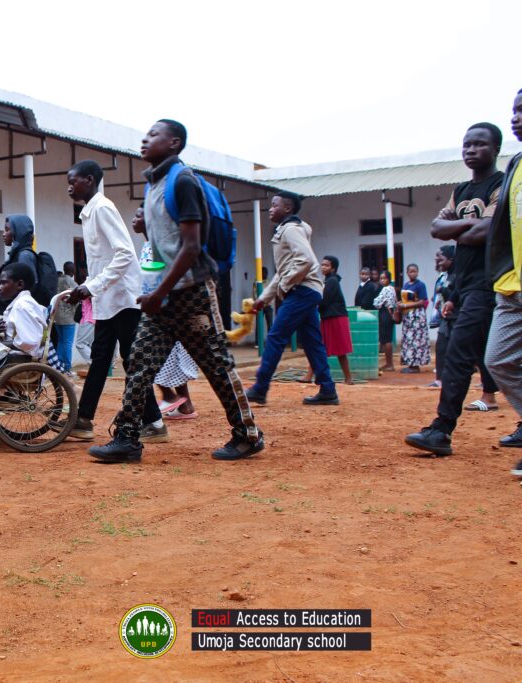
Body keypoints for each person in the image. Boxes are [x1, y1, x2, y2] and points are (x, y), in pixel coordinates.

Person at [87, 121, 261, 461]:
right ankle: (127, 438)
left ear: (174, 143)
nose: (145, 138)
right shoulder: (153, 185)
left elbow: (192, 246)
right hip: (162, 300)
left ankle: (248, 435)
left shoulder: (183, 181)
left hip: (192, 295)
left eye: (154, 134)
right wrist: (146, 237)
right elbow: (166, 247)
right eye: (146, 134)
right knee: (138, 363)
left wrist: (158, 293)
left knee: (217, 365)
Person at [405, 122, 505, 456]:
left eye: (480, 144)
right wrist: (471, 226)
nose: (471, 150)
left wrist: (458, 229)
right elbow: (437, 228)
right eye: (467, 144)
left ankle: (441, 430)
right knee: (491, 357)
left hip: (489, 283)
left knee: (461, 355)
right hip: (465, 285)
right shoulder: (460, 190)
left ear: (496, 149)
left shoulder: (501, 185)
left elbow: (483, 234)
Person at [64, 159, 164, 446]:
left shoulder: (103, 208)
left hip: (124, 299)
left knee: (131, 360)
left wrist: (92, 286)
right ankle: (83, 419)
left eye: (74, 181)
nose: (69, 187)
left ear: (90, 180)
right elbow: (101, 261)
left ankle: (154, 422)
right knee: (100, 358)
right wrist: (87, 288)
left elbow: (124, 253)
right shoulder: (88, 213)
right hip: (107, 300)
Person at [247, 191, 338, 406]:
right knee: (312, 342)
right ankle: (328, 389)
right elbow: (283, 271)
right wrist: (264, 298)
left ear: (287, 208)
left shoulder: (291, 229)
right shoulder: (290, 229)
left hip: (301, 291)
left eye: (275, 205)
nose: (270, 209)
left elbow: (306, 260)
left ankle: (260, 387)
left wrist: (287, 284)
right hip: (307, 290)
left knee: (275, 337)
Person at [485, 89, 522, 471]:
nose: (516, 118)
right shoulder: (516, 164)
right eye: (514, 111)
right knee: (498, 359)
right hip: (512, 284)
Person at [134, 206, 198, 419]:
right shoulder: (148, 245)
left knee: (152, 357)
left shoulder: (159, 245)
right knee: (170, 359)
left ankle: (171, 397)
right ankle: (185, 404)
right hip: (156, 308)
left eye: (138, 216)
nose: (134, 220)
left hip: (165, 310)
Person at [303, 256, 354, 386]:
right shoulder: (328, 281)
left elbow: (324, 301)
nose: (323, 267)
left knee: (339, 349)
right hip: (328, 317)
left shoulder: (332, 282)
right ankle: (309, 375)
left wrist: (311, 303)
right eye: (322, 265)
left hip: (336, 318)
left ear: (333, 268)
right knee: (320, 347)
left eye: (326, 265)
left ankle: (348, 378)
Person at [430, 245, 456, 388]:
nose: (438, 261)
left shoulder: (457, 276)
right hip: (446, 318)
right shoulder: (444, 275)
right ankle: (439, 380)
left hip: (458, 317)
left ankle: (485, 382)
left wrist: (442, 290)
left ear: (451, 259)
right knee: (441, 346)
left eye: (441, 259)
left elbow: (456, 294)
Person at [397, 264, 430, 373]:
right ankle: (410, 363)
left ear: (418, 272)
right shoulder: (406, 285)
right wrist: (400, 304)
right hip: (407, 316)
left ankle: (415, 366)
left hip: (417, 316)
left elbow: (422, 301)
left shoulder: (420, 285)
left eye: (414, 271)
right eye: (410, 271)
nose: (413, 273)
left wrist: (406, 305)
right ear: (407, 273)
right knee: (408, 340)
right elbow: (404, 299)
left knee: (416, 340)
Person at [54, 262, 79, 374]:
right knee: (68, 343)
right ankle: (68, 368)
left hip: (57, 316)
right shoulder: (73, 283)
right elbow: (78, 300)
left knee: (61, 341)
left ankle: (58, 366)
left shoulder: (57, 281)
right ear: (73, 271)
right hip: (68, 317)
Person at [373, 270, 399, 371]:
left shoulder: (385, 289)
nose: (382, 280)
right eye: (381, 278)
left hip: (385, 314)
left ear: (388, 279)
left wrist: (375, 300)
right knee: (387, 339)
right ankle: (388, 363)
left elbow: (377, 303)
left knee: (386, 340)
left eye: (384, 278)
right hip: (390, 313)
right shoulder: (392, 288)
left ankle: (389, 364)